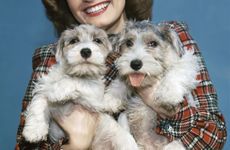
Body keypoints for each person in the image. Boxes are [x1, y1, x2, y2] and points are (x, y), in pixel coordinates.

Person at [15, 0, 227, 149]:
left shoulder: (172, 35)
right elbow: (27, 144)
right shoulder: (52, 57)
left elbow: (212, 133)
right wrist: (76, 145)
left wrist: (160, 103)